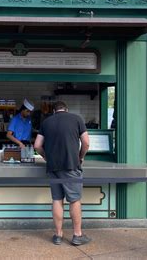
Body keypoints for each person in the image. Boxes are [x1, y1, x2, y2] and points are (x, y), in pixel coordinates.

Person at [34, 101, 91, 246]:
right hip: (71, 166)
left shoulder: (46, 122)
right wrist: (80, 156)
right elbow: (86, 143)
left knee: (57, 200)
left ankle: (58, 235)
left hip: (53, 168)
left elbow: (37, 145)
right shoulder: (77, 119)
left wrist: (46, 157)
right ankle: (77, 235)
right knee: (74, 200)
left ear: (54, 111)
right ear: (66, 110)